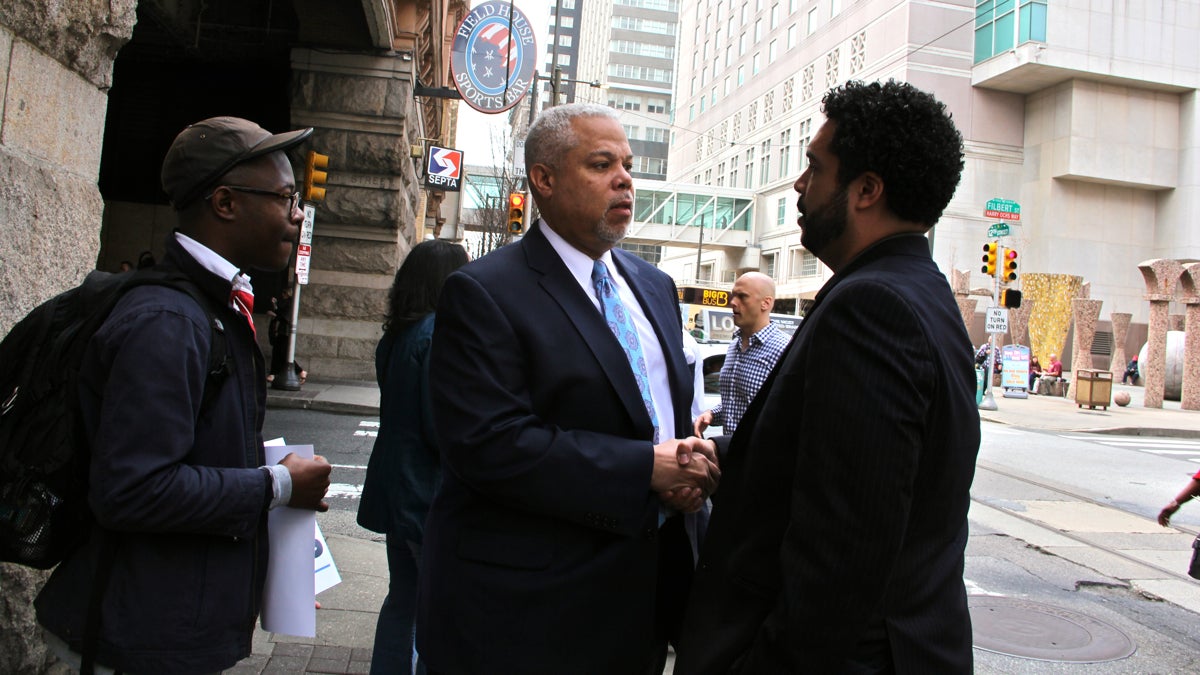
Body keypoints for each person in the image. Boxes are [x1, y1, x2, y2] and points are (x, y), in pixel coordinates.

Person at [675, 80, 980, 674]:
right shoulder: (921, 290)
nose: (799, 183)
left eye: (815, 166)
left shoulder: (873, 306)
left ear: (866, 190)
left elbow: (844, 556)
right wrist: (720, 456)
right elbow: (840, 459)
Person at [416, 103, 719, 674]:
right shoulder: (483, 292)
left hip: (643, 604)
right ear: (544, 179)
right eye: (601, 164)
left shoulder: (655, 287)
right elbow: (488, 446)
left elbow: (661, 419)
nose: (625, 178)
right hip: (529, 614)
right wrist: (644, 471)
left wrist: (685, 469)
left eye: (627, 164)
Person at [34, 116, 333, 674]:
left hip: (167, 626)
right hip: (137, 638)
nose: (298, 215)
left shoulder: (212, 308)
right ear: (224, 203)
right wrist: (280, 484)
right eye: (286, 197)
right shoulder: (169, 321)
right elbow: (134, 489)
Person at [357, 239, 469, 675]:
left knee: (403, 598)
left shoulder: (399, 335)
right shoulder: (437, 334)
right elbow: (439, 428)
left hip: (397, 486)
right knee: (435, 609)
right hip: (425, 494)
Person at [693, 272, 789, 437]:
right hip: (729, 455)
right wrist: (712, 414)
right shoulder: (734, 346)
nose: (733, 302)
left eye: (742, 297)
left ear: (766, 303)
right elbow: (736, 402)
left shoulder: (784, 349)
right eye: (733, 295)